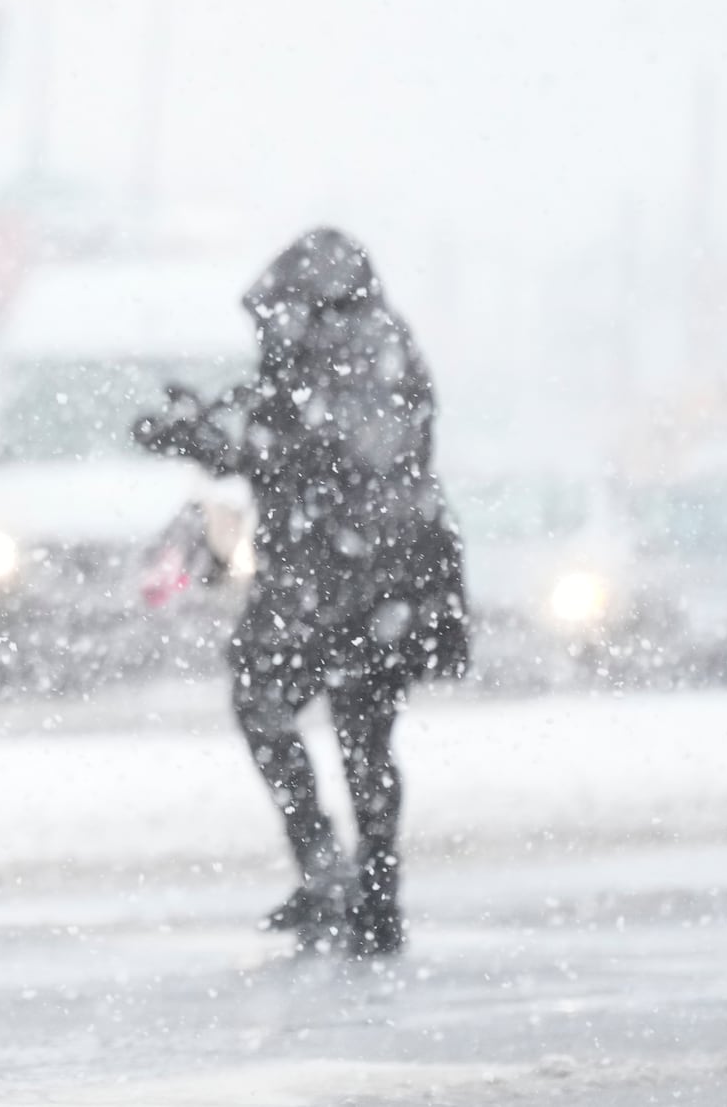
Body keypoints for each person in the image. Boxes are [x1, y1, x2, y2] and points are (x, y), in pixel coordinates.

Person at [134, 228, 470, 958]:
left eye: (277, 315)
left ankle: (352, 881)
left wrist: (223, 440)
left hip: (355, 575)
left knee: (322, 717)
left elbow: (337, 451)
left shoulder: (367, 348)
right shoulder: (338, 349)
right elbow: (283, 437)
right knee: (347, 727)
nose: (269, 331)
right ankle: (353, 880)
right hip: (349, 575)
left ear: (310, 302)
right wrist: (203, 430)